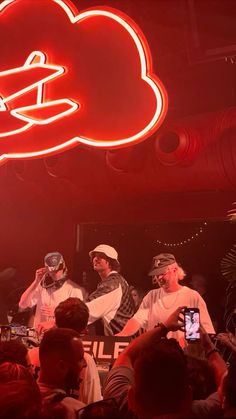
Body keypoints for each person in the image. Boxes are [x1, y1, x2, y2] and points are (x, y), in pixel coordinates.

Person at [103, 307, 192, 419]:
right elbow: (220, 390)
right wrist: (209, 349)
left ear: (131, 398)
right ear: (189, 398)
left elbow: (127, 355)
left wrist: (163, 328)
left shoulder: (120, 401)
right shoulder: (202, 412)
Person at [118, 253, 215, 348]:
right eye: (156, 274)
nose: (159, 277)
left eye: (162, 273)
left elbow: (202, 333)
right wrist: (122, 335)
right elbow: (137, 320)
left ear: (175, 270)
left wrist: (187, 343)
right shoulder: (152, 296)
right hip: (154, 356)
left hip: (182, 359)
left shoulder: (190, 296)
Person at [29, 297, 102, 404]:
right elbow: (93, 405)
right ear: (83, 330)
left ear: (55, 323)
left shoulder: (31, 355)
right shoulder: (84, 361)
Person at [18, 252, 83, 329]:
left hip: (60, 335)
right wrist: (36, 281)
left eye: (57, 270)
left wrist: (58, 312)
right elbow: (23, 304)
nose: (55, 274)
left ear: (63, 267)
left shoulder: (75, 290)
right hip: (39, 335)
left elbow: (78, 318)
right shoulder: (41, 286)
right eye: (52, 271)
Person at [86, 244, 134, 335]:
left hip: (117, 341)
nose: (95, 259)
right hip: (119, 340)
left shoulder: (112, 283)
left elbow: (86, 310)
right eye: (94, 256)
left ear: (110, 261)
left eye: (100, 256)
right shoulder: (116, 280)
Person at [38, 328, 86, 419]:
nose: (85, 364)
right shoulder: (78, 411)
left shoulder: (20, 402)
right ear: (61, 366)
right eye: (80, 359)